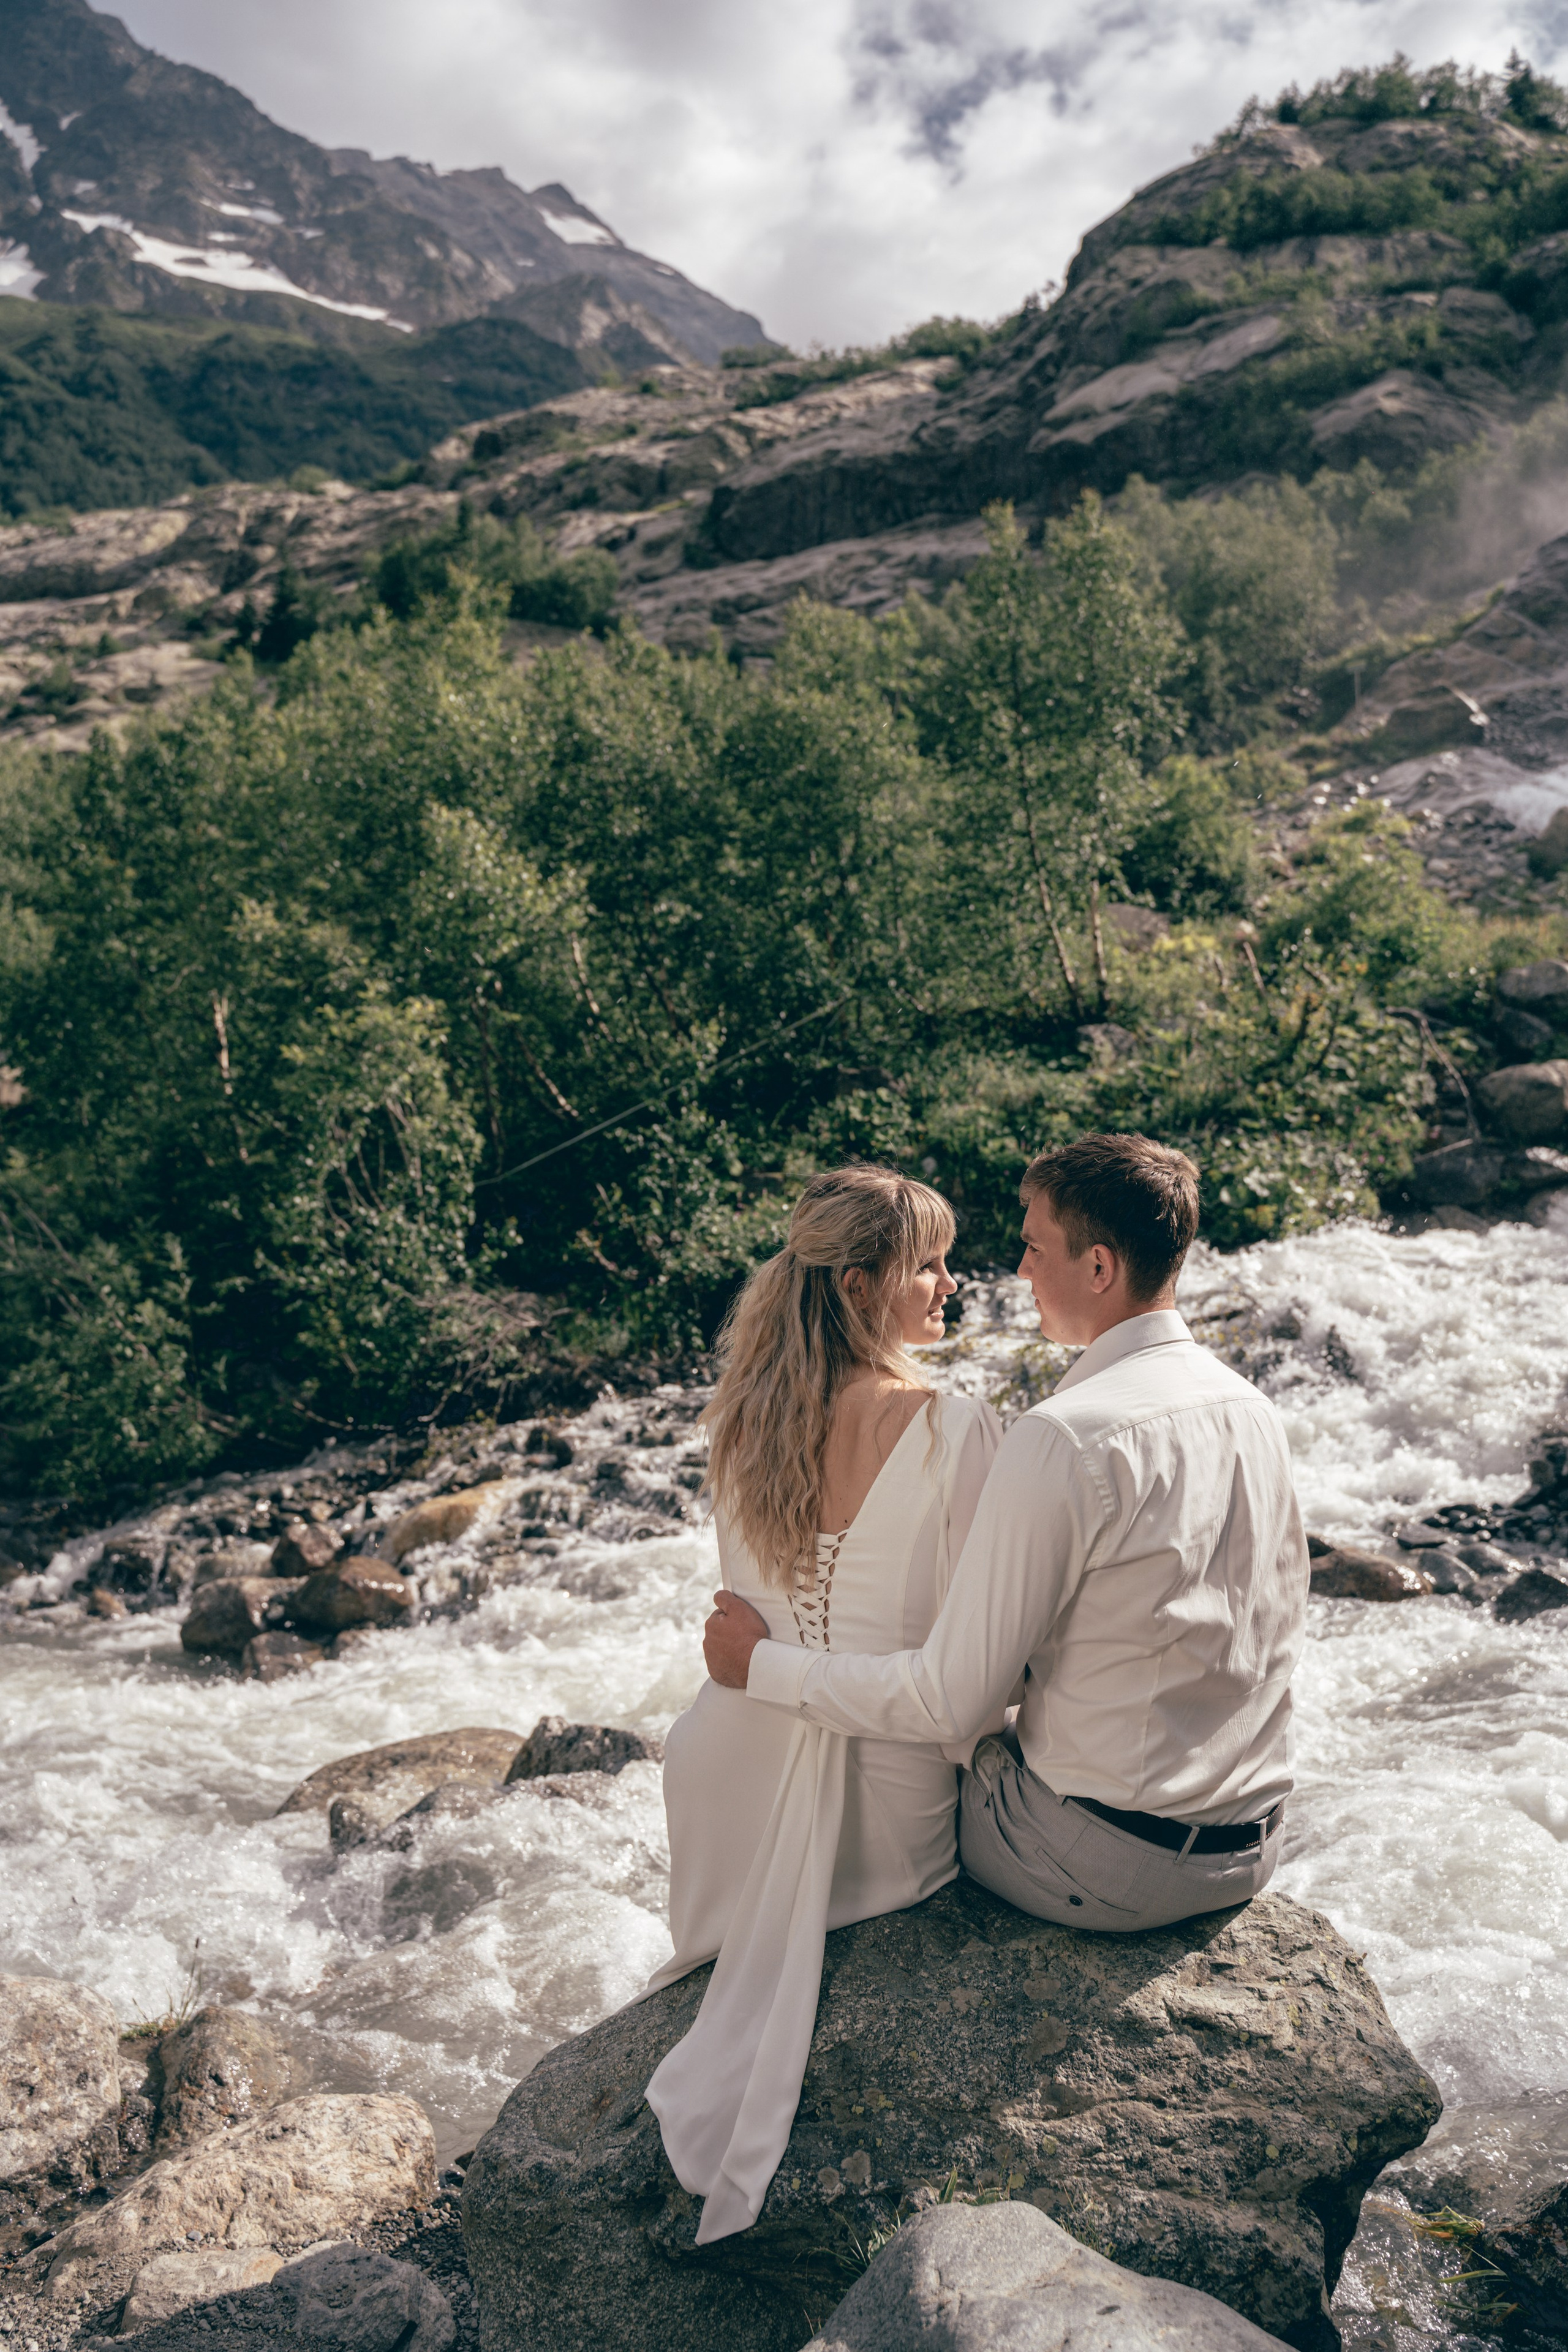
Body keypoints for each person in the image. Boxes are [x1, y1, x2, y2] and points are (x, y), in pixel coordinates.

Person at [706, 1131, 1310, 1937]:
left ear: (1098, 1269)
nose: (1016, 1272)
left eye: (1032, 1248)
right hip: (1251, 1849)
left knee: (913, 1767)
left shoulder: (1065, 1435)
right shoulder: (1252, 1409)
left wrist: (761, 1664)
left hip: (1097, 1865)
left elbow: (954, 1705)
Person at [644, 1166, 1001, 2245]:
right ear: (857, 1287)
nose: (952, 1282)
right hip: (886, 1825)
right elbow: (971, 1680)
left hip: (722, 1781)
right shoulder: (952, 1428)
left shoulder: (739, 1422)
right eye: (927, 1265)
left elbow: (743, 1635)